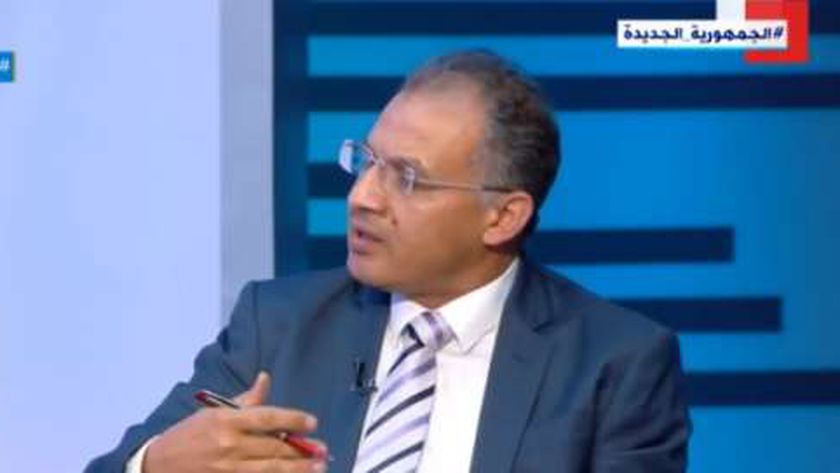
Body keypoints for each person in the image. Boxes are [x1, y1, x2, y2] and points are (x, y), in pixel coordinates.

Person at [87, 50, 691, 473]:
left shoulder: (615, 363)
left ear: (503, 217)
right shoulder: (277, 325)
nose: (362, 197)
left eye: (406, 178)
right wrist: (158, 464)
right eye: (367, 161)